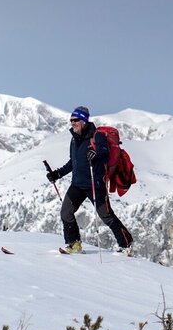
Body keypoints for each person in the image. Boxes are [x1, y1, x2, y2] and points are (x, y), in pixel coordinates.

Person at [46, 106, 134, 254]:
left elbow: (104, 155)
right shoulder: (74, 140)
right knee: (65, 212)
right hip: (77, 185)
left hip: (95, 184)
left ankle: (126, 244)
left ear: (84, 121)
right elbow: (72, 163)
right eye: (71, 120)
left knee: (106, 216)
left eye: (76, 120)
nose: (72, 123)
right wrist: (57, 174)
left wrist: (96, 155)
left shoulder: (96, 136)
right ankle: (74, 244)